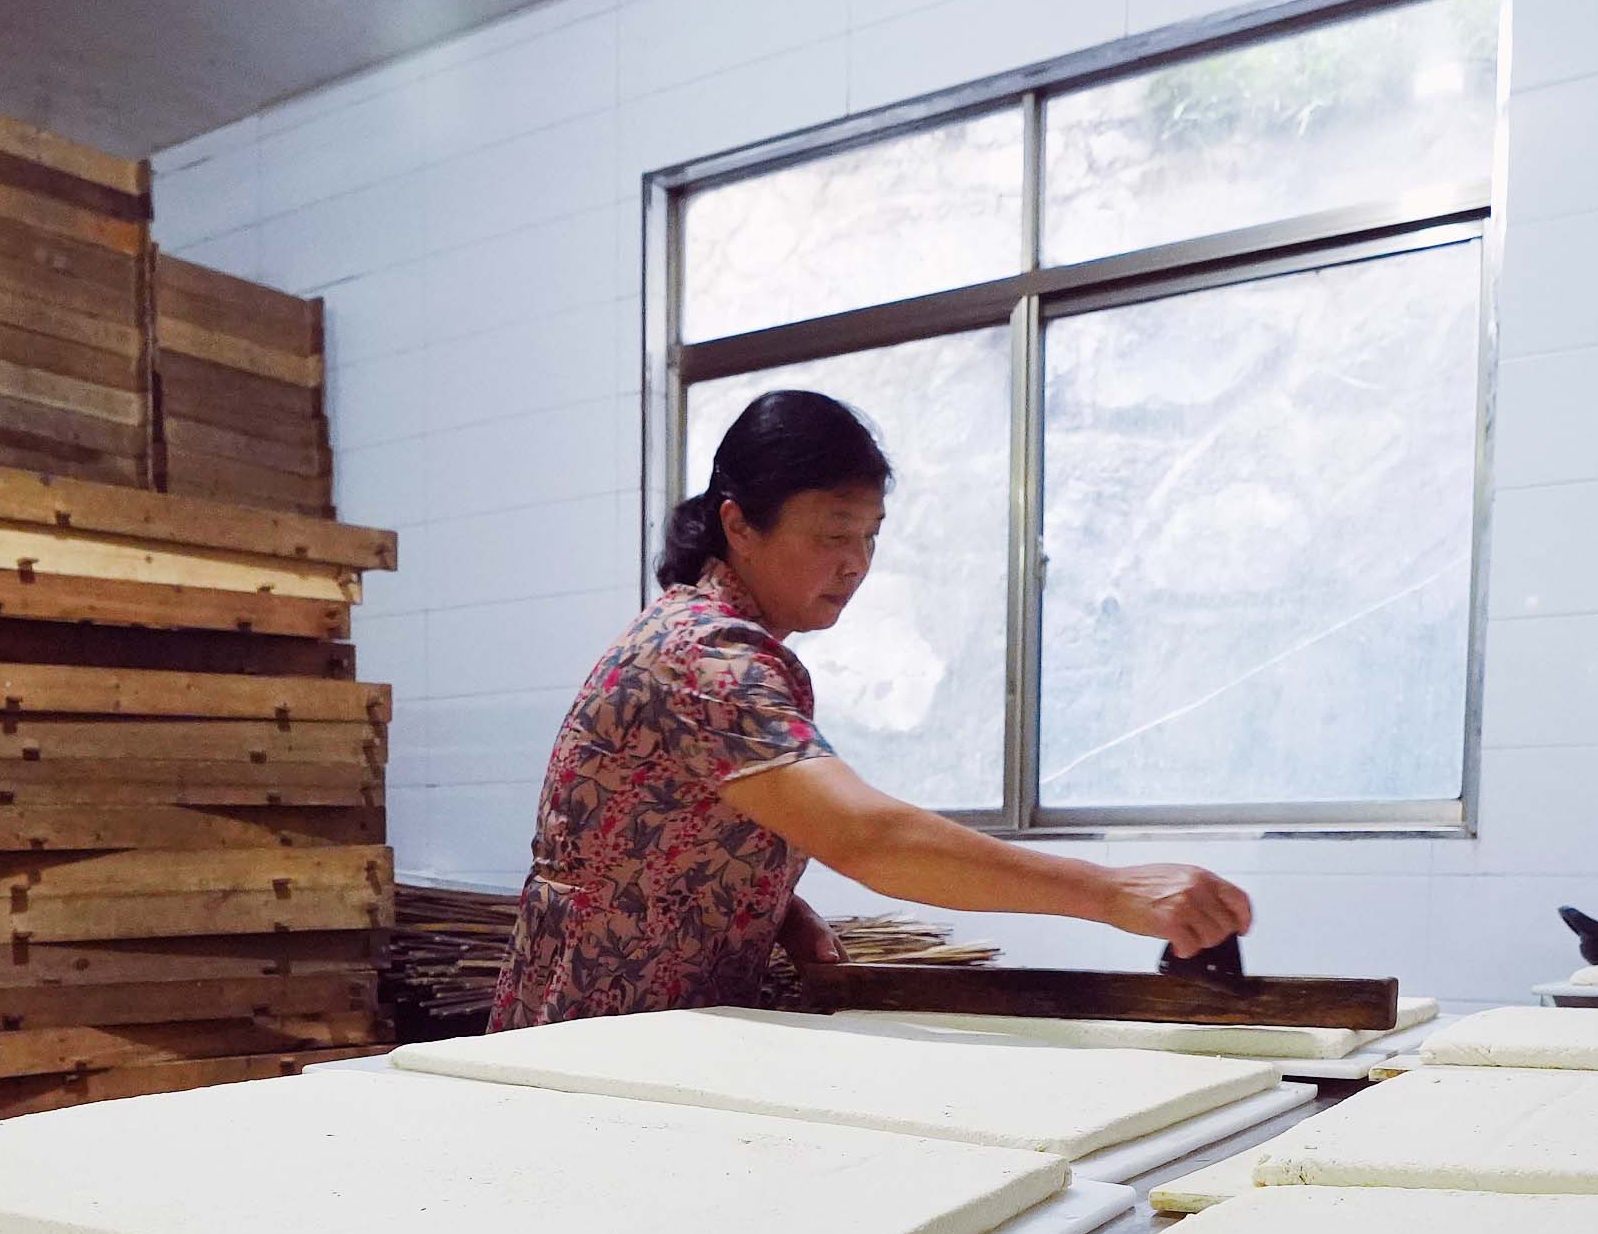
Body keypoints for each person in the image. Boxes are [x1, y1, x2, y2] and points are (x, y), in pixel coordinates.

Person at [486, 389, 1252, 1030]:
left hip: (650, 1029)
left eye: (869, 535)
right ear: (739, 525)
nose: (855, 563)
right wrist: (1113, 893)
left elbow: (665, 821)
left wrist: (773, 908)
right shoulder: (707, 657)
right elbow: (868, 838)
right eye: (831, 534)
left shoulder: (706, 638)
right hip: (596, 1042)